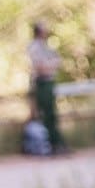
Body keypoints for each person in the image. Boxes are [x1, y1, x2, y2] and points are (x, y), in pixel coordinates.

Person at [28, 22, 68, 155]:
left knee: (51, 115)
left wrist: (51, 65)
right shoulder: (35, 47)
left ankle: (56, 143)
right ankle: (49, 145)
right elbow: (41, 68)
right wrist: (51, 65)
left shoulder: (46, 47)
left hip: (48, 82)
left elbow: (56, 62)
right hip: (42, 83)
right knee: (45, 114)